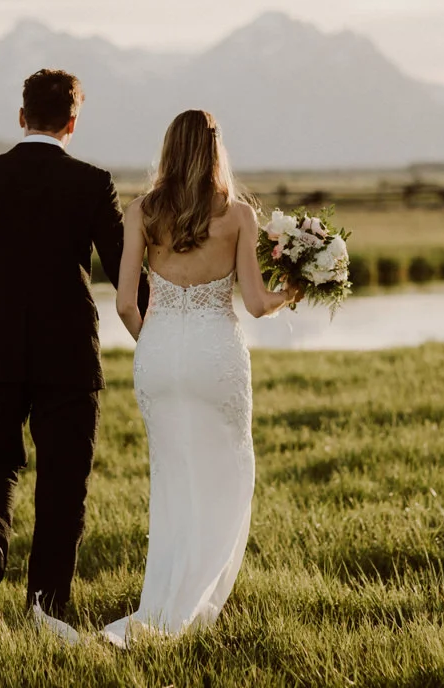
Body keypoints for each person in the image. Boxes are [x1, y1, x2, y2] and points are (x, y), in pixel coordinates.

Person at [0, 69, 146, 638]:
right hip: (68, 350)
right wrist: (164, 324)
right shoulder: (92, 182)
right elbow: (125, 271)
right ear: (72, 122)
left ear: (21, 117)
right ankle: (45, 606)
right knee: (63, 480)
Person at [101, 109, 300, 647]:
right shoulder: (237, 215)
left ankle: (162, 601)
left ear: (169, 149)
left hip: (160, 353)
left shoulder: (141, 212)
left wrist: (157, 343)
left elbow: (123, 303)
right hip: (216, 354)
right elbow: (257, 305)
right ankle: (193, 602)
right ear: (216, 151)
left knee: (172, 479)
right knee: (227, 475)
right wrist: (294, 293)